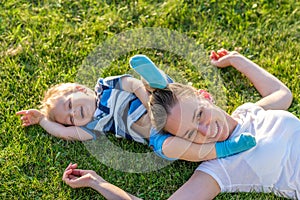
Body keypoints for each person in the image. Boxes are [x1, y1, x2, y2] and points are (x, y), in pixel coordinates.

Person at [63, 49, 299, 199]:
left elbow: (282, 94)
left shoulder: (247, 111)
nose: (207, 131)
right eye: (190, 133)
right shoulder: (218, 169)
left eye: (199, 115)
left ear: (205, 96)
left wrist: (237, 60)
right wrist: (97, 182)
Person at [16, 55, 255, 162]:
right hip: (156, 134)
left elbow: (130, 83)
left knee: (153, 88)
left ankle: (157, 82)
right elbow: (66, 133)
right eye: (67, 119)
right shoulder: (93, 125)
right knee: (170, 149)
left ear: (80, 89)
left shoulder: (106, 86)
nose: (72, 115)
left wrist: (146, 100)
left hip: (160, 106)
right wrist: (43, 121)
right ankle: (225, 149)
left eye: (70, 105)